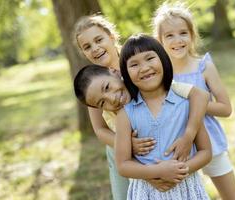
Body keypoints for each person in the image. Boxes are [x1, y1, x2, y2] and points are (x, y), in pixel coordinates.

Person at [73, 14, 210, 199]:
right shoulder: (92, 84)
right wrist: (129, 145)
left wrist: (188, 134)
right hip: (120, 144)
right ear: (83, 52)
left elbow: (195, 96)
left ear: (111, 37)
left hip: (160, 136)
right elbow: (99, 129)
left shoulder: (139, 64)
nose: (95, 48)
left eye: (98, 40)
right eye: (87, 47)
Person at [152, 2, 235, 199]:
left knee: (232, 197)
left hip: (211, 141)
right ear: (160, 40)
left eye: (183, 33)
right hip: (176, 145)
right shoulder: (159, 72)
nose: (178, 40)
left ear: (192, 35)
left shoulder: (203, 66)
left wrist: (195, 102)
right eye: (169, 35)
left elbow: (226, 108)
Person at [116, 34, 211, 199]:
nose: (144, 68)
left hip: (185, 187)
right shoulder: (125, 114)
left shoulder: (186, 104)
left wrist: (179, 172)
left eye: (149, 58)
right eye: (134, 64)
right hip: (147, 192)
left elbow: (206, 152)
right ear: (126, 73)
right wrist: (157, 172)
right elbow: (123, 165)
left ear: (163, 60)